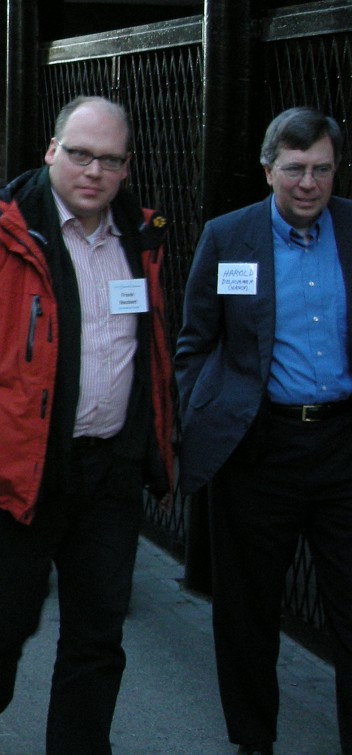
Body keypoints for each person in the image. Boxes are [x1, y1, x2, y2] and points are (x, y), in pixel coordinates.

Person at [0, 96, 174, 755]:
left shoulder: (142, 238)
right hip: (21, 473)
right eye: (81, 154)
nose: (94, 171)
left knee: (98, 634)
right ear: (53, 150)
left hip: (110, 472)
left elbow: (154, 353)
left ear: (126, 167)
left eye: (110, 159)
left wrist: (160, 447)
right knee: (6, 623)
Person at [175, 106, 352, 755]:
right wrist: (207, 416)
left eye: (322, 169)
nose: (309, 183)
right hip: (258, 449)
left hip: (342, 447)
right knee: (248, 614)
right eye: (296, 168)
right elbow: (195, 342)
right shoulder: (229, 237)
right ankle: (254, 743)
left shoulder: (351, 228)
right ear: (268, 168)